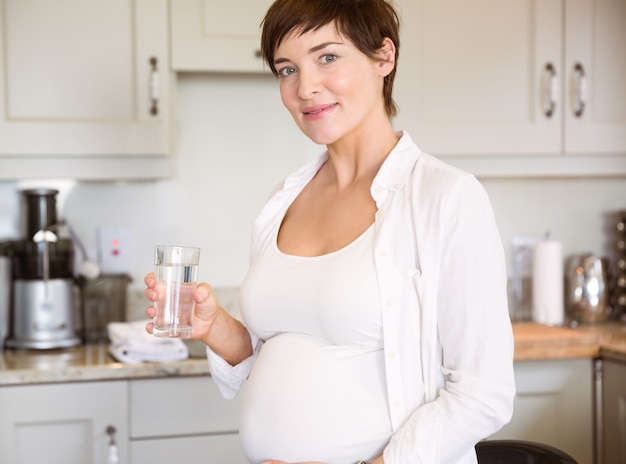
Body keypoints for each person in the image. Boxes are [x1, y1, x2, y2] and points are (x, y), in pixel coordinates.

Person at [144, 0, 516, 462]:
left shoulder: (446, 197)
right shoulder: (283, 199)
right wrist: (217, 328)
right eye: (286, 69)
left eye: (327, 57)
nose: (306, 88)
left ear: (384, 57)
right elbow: (283, 352)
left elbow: (485, 394)